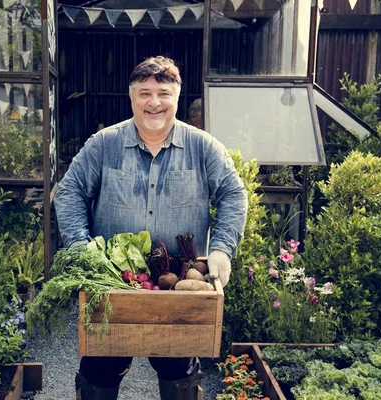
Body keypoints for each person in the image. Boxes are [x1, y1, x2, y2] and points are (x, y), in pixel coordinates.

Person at [54, 56, 248, 400]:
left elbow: (234, 194)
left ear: (177, 97)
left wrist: (221, 249)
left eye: (163, 93)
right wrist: (79, 247)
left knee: (178, 368)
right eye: (145, 93)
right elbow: (68, 193)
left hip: (179, 282)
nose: (154, 102)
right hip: (112, 280)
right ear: (131, 97)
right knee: (100, 366)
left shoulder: (203, 147)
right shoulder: (104, 144)